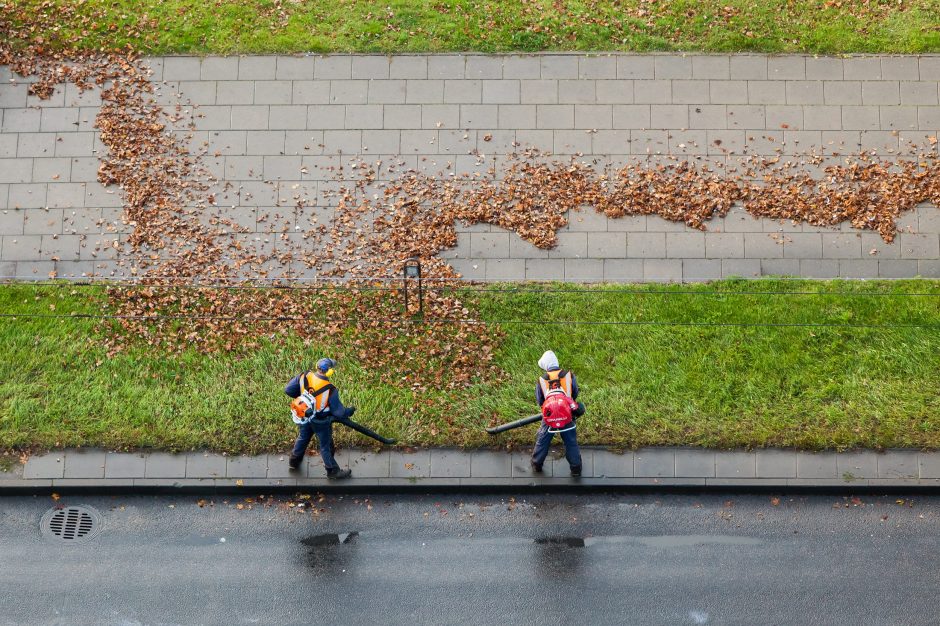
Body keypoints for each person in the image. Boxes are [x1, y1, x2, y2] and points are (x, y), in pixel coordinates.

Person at [288, 358, 355, 479]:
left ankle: (294, 461)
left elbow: (288, 390)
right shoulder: (330, 388)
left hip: (305, 416)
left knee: (303, 437)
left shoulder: (304, 376)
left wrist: (305, 399)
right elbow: (339, 412)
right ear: (329, 372)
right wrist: (349, 411)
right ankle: (333, 471)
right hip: (321, 420)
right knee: (326, 445)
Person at [531, 350, 585, 476]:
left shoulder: (542, 380)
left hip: (549, 414)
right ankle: (576, 468)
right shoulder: (569, 375)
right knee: (570, 440)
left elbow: (540, 399)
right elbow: (575, 392)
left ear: (545, 366)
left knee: (543, 439)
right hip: (566, 413)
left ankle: (537, 463)